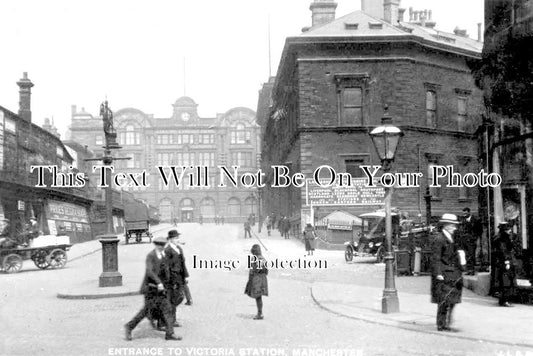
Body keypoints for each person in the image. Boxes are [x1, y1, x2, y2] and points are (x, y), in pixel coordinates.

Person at [125, 236, 181, 341]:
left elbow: (167, 272)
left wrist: (171, 283)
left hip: (161, 290)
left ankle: (170, 333)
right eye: (159, 245)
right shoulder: (151, 256)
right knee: (145, 312)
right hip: (150, 289)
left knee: (167, 309)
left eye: (163, 245)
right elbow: (149, 272)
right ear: (155, 245)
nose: (161, 247)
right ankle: (129, 326)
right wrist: (159, 282)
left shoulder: (163, 256)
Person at [430, 213, 465, 332]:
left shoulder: (451, 238)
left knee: (452, 300)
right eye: (453, 225)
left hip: (453, 274)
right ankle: (441, 324)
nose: (455, 228)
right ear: (446, 226)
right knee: (444, 301)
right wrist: (438, 273)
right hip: (444, 275)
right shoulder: (439, 239)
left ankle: (448, 323)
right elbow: (435, 258)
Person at [164, 230, 189, 327]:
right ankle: (170, 320)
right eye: (175, 238)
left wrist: (185, 276)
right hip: (172, 278)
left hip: (180, 276)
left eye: (178, 238)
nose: (177, 240)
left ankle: (170, 319)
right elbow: (166, 266)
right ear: (170, 240)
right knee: (173, 299)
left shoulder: (179, 248)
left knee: (179, 297)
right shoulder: (168, 250)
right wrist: (169, 280)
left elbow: (183, 264)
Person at [492, 222, 517, 307]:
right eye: (508, 229)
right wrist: (507, 262)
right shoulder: (503, 238)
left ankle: (502, 300)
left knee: (503, 281)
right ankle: (505, 300)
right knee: (507, 281)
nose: (510, 230)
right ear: (505, 230)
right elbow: (504, 251)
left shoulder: (498, 237)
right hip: (506, 261)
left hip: (501, 262)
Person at [244, 244, 268, 320]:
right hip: (260, 279)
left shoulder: (259, 259)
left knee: (258, 297)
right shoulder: (259, 258)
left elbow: (259, 269)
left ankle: (260, 314)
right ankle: (259, 313)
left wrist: (254, 272)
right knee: (258, 297)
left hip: (258, 279)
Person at [459, 207, 483, 275]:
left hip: (472, 241)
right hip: (464, 241)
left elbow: (480, 231)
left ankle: (472, 270)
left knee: (471, 255)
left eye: (466, 213)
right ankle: (468, 270)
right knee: (466, 255)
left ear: (469, 212)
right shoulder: (463, 220)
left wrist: (475, 237)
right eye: (464, 213)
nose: (465, 214)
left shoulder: (476, 220)